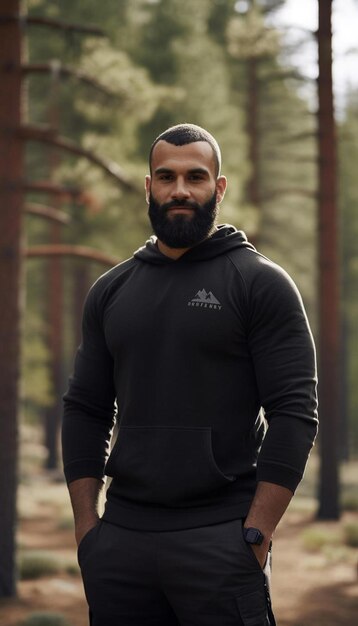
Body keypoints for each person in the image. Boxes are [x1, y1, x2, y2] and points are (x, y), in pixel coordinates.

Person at [62, 123, 318, 626]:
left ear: (218, 188)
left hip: (221, 538)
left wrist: (256, 534)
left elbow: (294, 414)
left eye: (195, 177)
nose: (180, 190)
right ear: (149, 186)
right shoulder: (111, 290)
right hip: (121, 543)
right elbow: (85, 408)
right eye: (166, 176)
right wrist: (87, 529)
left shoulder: (260, 283)